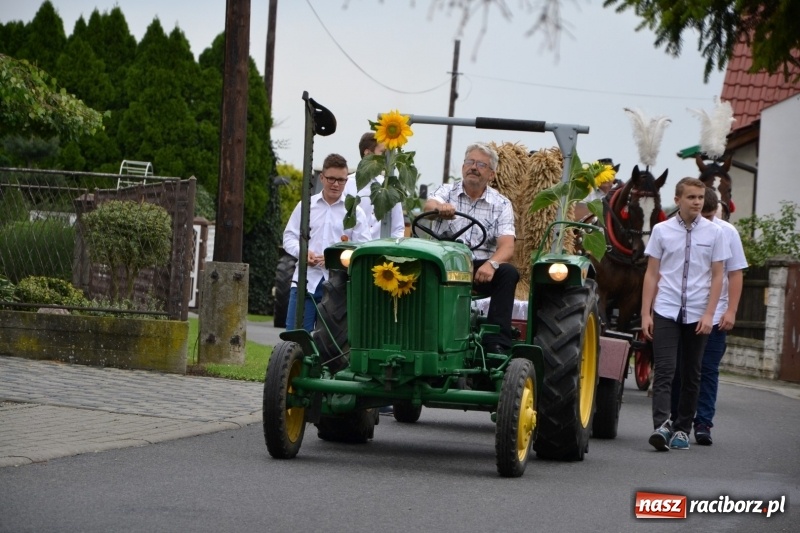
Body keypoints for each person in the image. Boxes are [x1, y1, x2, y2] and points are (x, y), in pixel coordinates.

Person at [641, 177, 729, 451]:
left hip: (698, 313)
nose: (697, 202)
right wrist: (646, 313)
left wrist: (710, 314)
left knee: (692, 373)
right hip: (666, 309)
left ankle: (682, 429)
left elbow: (718, 276)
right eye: (691, 197)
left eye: (700, 198)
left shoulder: (715, 233)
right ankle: (661, 426)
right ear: (678, 200)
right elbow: (652, 273)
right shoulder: (661, 230)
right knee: (665, 370)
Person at [422, 142, 519, 353]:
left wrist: (492, 264)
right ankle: (416, 331)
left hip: (478, 268)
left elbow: (507, 246)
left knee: (508, 273)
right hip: (444, 262)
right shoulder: (446, 191)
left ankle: (496, 342)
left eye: (481, 164)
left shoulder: (501, 204)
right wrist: (440, 208)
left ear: (491, 174)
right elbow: (428, 207)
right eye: (470, 162)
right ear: (464, 167)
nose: (474, 167)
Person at [670, 192, 747, 445]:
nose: (706, 220)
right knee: (681, 370)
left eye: (711, 216)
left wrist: (731, 311)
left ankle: (703, 422)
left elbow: (734, 274)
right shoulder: (676, 228)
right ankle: (676, 420)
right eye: (703, 216)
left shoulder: (727, 232)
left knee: (708, 370)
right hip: (685, 312)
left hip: (715, 315)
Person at [283, 153, 370, 331]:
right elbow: (289, 237)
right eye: (331, 178)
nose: (336, 184)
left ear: (346, 181)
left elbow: (363, 248)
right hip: (305, 282)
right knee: (295, 337)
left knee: (332, 346)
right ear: (322, 178)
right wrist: (303, 253)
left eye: (341, 180)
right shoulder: (306, 206)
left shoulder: (355, 212)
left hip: (338, 287)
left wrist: (335, 258)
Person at [343, 132, 405, 239]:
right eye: (382, 152)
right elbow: (343, 224)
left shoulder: (389, 186)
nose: (387, 157)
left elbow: (398, 228)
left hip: (381, 251)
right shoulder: (347, 184)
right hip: (354, 251)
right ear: (367, 153)